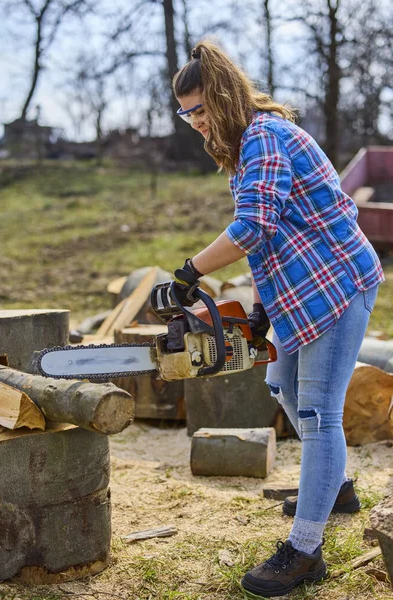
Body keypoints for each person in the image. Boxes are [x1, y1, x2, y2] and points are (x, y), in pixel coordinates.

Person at [171, 40, 384, 598]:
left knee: (316, 412)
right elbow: (277, 239)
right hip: (300, 288)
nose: (193, 122)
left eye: (199, 109)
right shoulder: (245, 147)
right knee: (280, 384)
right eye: (185, 113)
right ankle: (335, 488)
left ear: (221, 97)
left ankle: (306, 549)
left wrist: (189, 270)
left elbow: (253, 227)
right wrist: (264, 307)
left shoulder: (265, 136)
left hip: (338, 284)